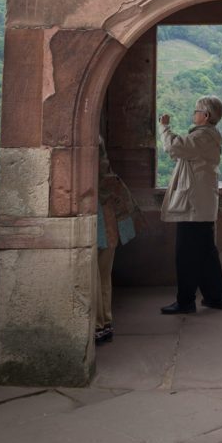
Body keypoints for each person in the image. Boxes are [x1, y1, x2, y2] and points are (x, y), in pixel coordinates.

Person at [159, 95, 222, 314]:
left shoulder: (202, 138)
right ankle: (216, 298)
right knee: (206, 253)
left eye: (196, 110)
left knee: (186, 254)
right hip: (202, 203)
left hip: (194, 205)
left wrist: (164, 127)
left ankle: (186, 301)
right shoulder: (208, 137)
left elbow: (174, 147)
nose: (194, 114)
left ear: (206, 116)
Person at [94, 135, 141, 344]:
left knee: (93, 273)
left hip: (97, 215)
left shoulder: (87, 143)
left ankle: (97, 325)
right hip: (109, 214)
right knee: (103, 273)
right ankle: (104, 323)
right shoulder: (98, 141)